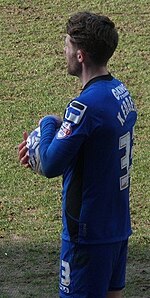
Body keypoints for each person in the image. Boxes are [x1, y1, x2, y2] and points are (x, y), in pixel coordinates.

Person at [18, 11, 137, 298]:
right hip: (116, 228)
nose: (64, 50)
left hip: (86, 236)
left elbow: (50, 163)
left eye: (67, 44)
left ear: (80, 55)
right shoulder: (120, 92)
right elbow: (96, 140)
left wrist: (48, 122)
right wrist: (62, 129)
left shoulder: (83, 108)